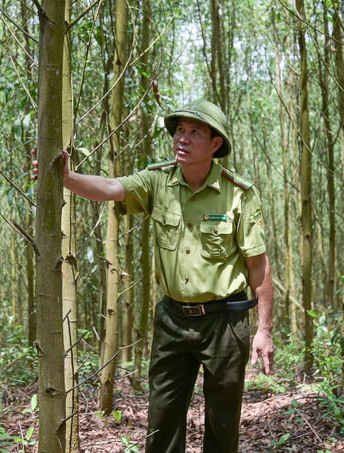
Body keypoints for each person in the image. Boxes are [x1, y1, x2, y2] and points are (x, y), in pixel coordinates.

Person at [34, 99, 274, 453]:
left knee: (223, 425)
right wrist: (68, 178)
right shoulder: (157, 181)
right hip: (173, 320)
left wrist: (264, 329)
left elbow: (258, 264)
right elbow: (110, 188)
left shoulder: (238, 194)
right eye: (179, 130)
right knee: (161, 423)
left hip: (225, 322)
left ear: (215, 144)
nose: (183, 138)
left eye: (195, 132)